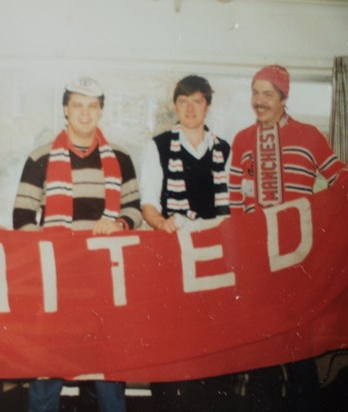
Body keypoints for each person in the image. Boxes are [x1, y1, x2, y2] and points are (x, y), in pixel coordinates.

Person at [13, 76, 142, 412]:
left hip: (105, 282)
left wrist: (118, 224)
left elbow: (134, 209)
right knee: (46, 369)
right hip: (57, 282)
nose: (85, 113)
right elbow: (22, 217)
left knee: (109, 370)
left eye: (93, 106)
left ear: (101, 111)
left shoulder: (123, 159)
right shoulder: (39, 157)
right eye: (78, 105)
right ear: (65, 110)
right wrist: (52, 249)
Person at [228, 64, 348, 411]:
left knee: (300, 353)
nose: (259, 101)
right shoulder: (242, 140)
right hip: (258, 263)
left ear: (283, 98)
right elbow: (235, 201)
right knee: (262, 351)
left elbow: (339, 178)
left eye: (268, 93)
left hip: (299, 262)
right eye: (255, 92)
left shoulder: (310, 136)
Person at [139, 75, 236, 412]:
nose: (190, 108)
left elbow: (234, 206)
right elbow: (148, 203)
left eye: (197, 101)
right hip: (173, 253)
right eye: (183, 101)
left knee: (214, 340)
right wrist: (161, 223)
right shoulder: (158, 146)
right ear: (175, 106)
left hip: (215, 257)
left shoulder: (226, 149)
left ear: (207, 105)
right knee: (170, 340)